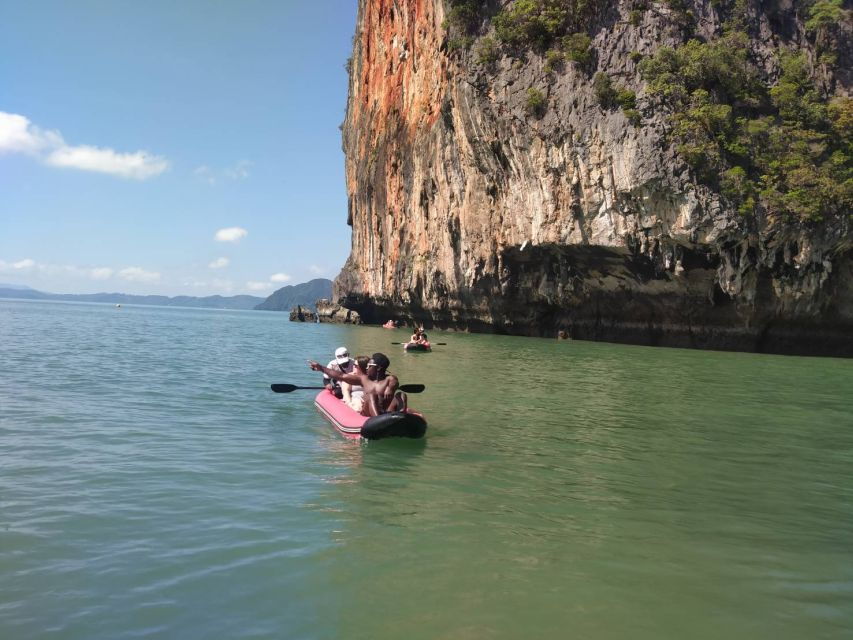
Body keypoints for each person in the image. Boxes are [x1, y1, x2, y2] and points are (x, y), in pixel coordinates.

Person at [308, 352, 406, 416]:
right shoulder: (364, 379)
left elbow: (394, 380)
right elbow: (342, 376)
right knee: (371, 395)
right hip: (369, 415)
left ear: (379, 368)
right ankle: (378, 419)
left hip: (385, 411)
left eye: (369, 366)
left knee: (401, 394)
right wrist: (321, 367)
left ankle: (402, 415)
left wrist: (391, 387)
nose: (366, 368)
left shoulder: (389, 380)